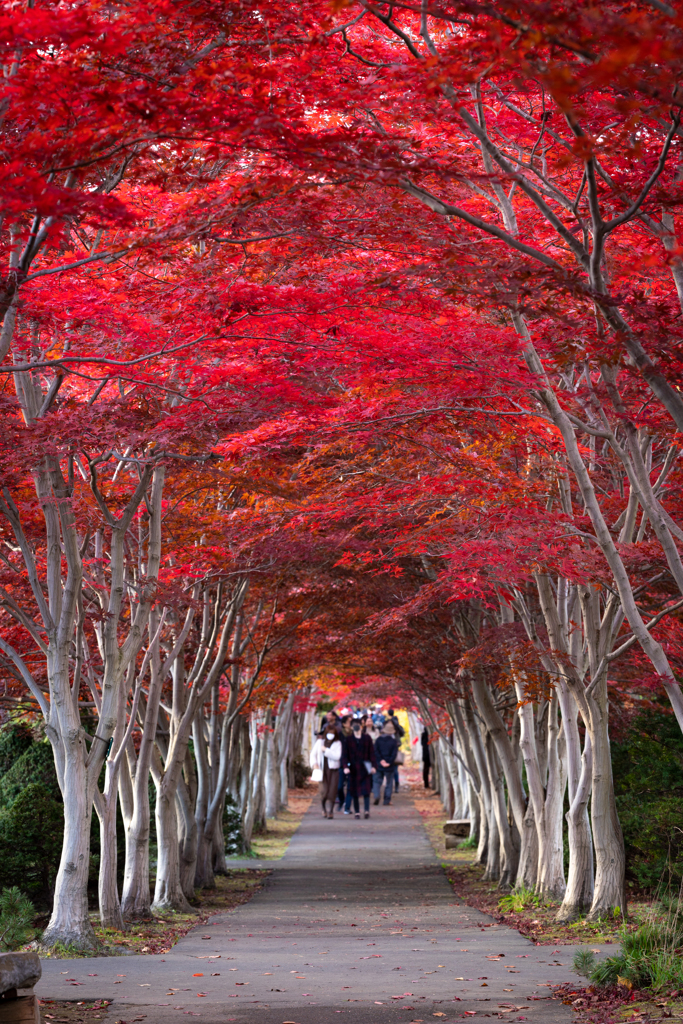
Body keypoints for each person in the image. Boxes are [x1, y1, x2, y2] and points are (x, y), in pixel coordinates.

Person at [342, 719, 376, 818]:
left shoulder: (367, 738)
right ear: (351, 727)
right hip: (353, 769)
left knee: (366, 790)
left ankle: (366, 811)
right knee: (354, 791)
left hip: (365, 767)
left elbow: (372, 753)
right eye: (354, 725)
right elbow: (344, 755)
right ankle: (357, 811)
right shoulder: (348, 740)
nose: (356, 727)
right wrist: (345, 767)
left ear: (362, 725)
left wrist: (374, 766)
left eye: (358, 725)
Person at [310, 727, 343, 818]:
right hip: (322, 770)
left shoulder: (338, 743)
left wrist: (326, 750)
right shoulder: (320, 742)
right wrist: (314, 764)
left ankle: (331, 811)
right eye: (329, 732)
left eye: (332, 733)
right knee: (323, 791)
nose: (330, 735)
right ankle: (323, 808)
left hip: (333, 770)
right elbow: (313, 754)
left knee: (332, 791)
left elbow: (337, 756)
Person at [373, 721, 398, 805]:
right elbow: (394, 754)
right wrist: (389, 762)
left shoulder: (378, 740)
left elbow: (375, 751)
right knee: (389, 783)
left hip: (379, 764)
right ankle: (387, 800)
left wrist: (381, 760)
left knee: (377, 781)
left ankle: (376, 795)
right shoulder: (393, 741)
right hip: (389, 765)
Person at [337, 715, 354, 810]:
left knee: (350, 787)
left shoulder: (354, 734)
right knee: (339, 787)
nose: (350, 724)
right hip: (341, 762)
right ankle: (341, 800)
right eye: (348, 722)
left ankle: (347, 807)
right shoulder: (339, 735)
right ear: (343, 724)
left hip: (353, 762)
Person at [386, 709, 405, 793]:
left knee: (394, 769)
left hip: (393, 748)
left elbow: (402, 733)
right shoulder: (391, 723)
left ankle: (394, 785)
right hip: (390, 749)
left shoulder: (394, 725)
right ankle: (392, 785)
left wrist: (397, 725)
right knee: (392, 769)